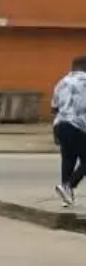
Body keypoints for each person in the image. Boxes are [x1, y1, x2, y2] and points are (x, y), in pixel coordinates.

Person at [51, 55, 86, 207]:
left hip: (60, 125)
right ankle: (69, 186)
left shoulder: (61, 82)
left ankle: (67, 198)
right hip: (79, 126)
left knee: (68, 159)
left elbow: (54, 107)